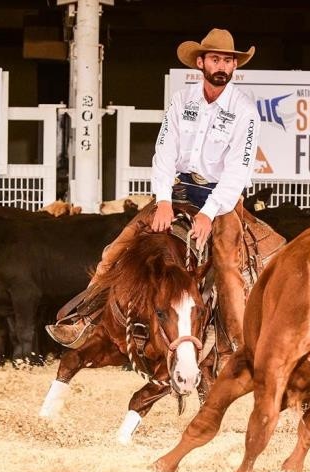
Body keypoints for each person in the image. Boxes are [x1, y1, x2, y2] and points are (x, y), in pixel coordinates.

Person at [47, 28, 260, 354]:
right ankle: (85, 318)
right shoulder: (182, 101)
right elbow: (164, 153)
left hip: (221, 199)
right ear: (201, 63)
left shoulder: (244, 110)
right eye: (215, 59)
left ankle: (237, 346)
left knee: (228, 266)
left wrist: (207, 213)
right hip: (179, 191)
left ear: (234, 66)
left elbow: (238, 171)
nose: (222, 67)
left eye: (228, 61)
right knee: (116, 249)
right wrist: (162, 201)